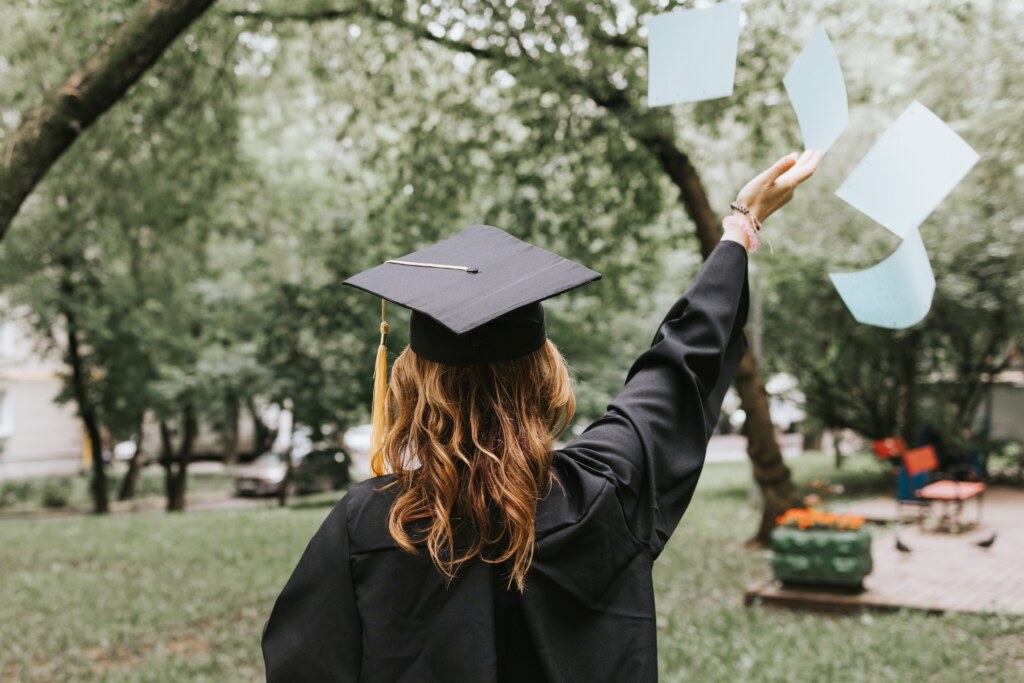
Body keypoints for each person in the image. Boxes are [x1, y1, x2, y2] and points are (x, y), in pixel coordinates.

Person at [262, 151, 822, 682]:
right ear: (544, 375)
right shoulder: (603, 491)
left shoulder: (368, 525)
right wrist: (740, 229)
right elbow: (678, 371)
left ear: (413, 383)